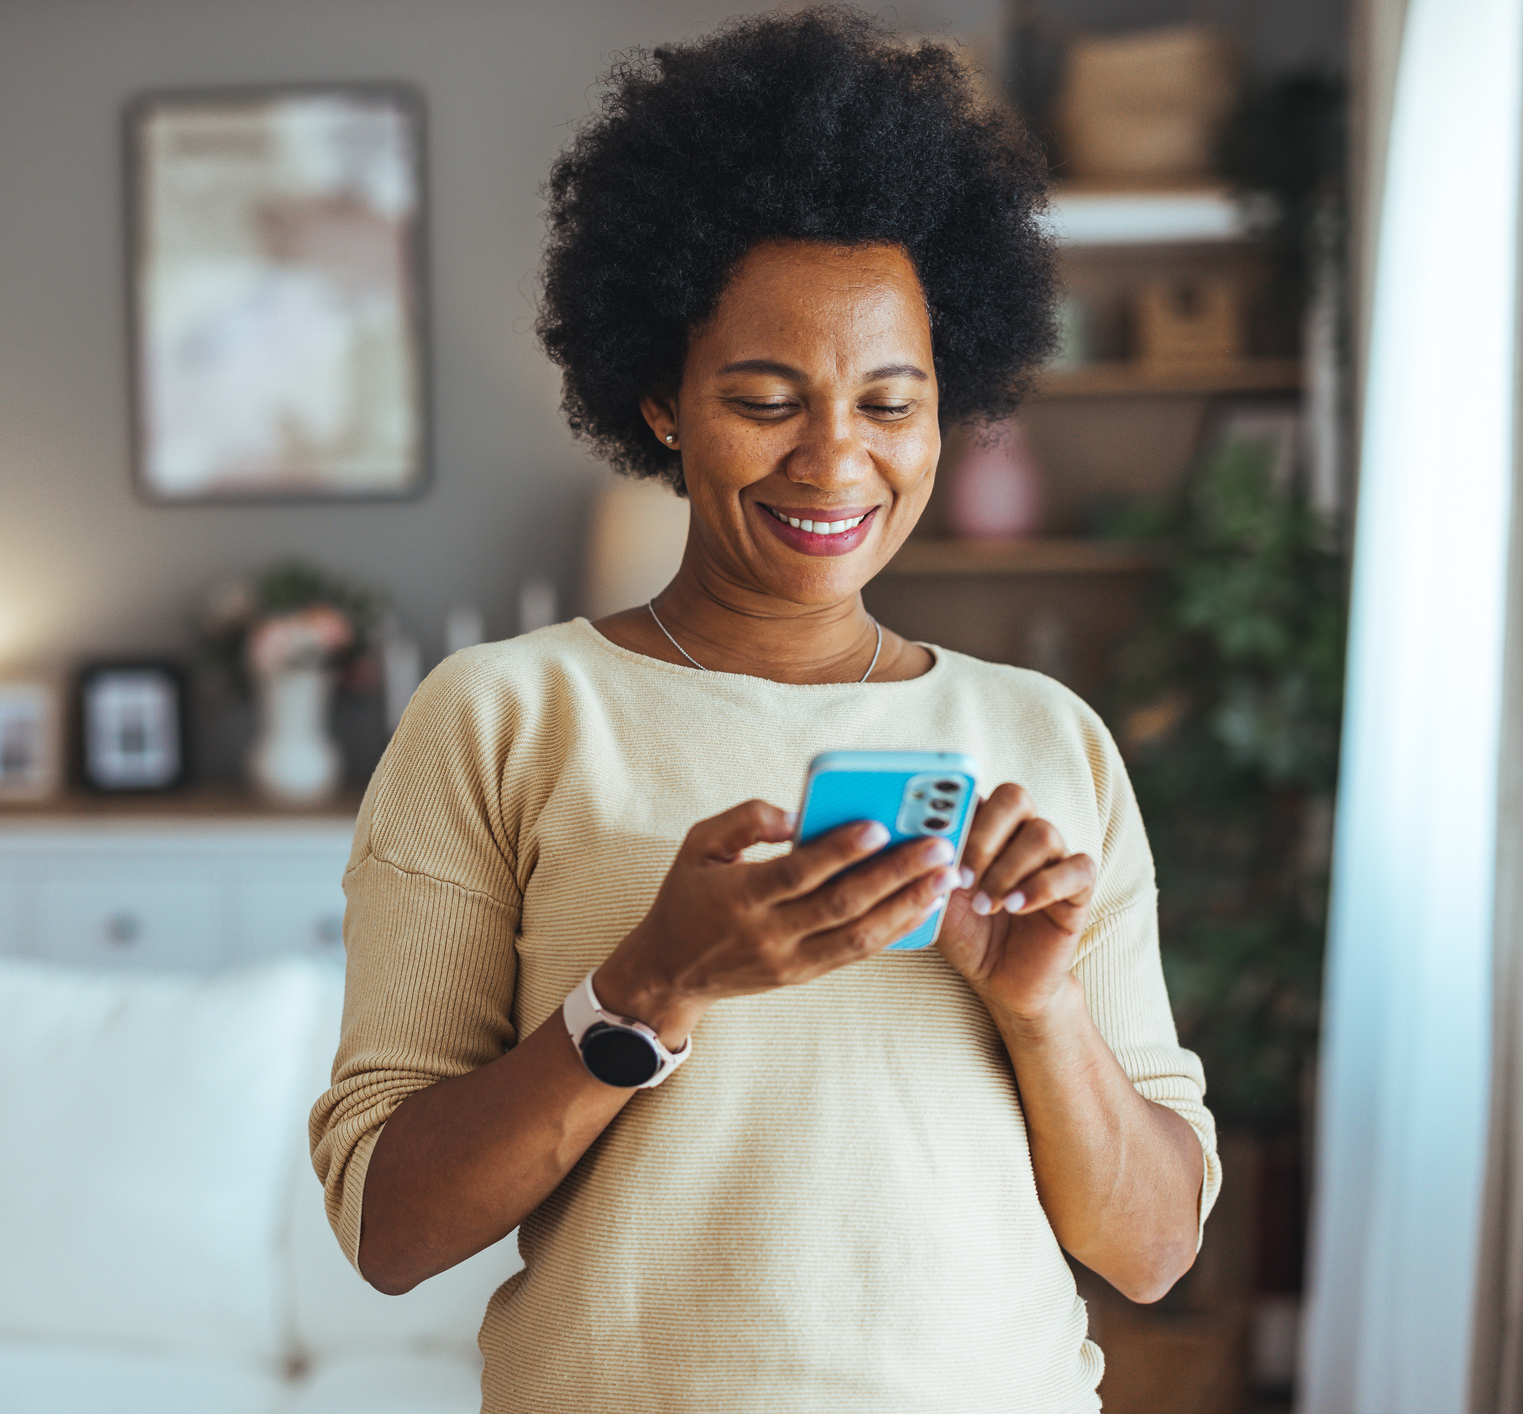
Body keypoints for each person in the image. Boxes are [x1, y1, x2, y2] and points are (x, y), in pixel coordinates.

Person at [309, 10, 1218, 1410]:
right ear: (662, 400)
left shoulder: (1048, 740)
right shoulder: (503, 715)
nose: (836, 460)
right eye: (765, 396)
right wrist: (648, 983)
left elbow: (1152, 1248)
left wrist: (1041, 1010)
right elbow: (389, 1222)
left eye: (890, 401)